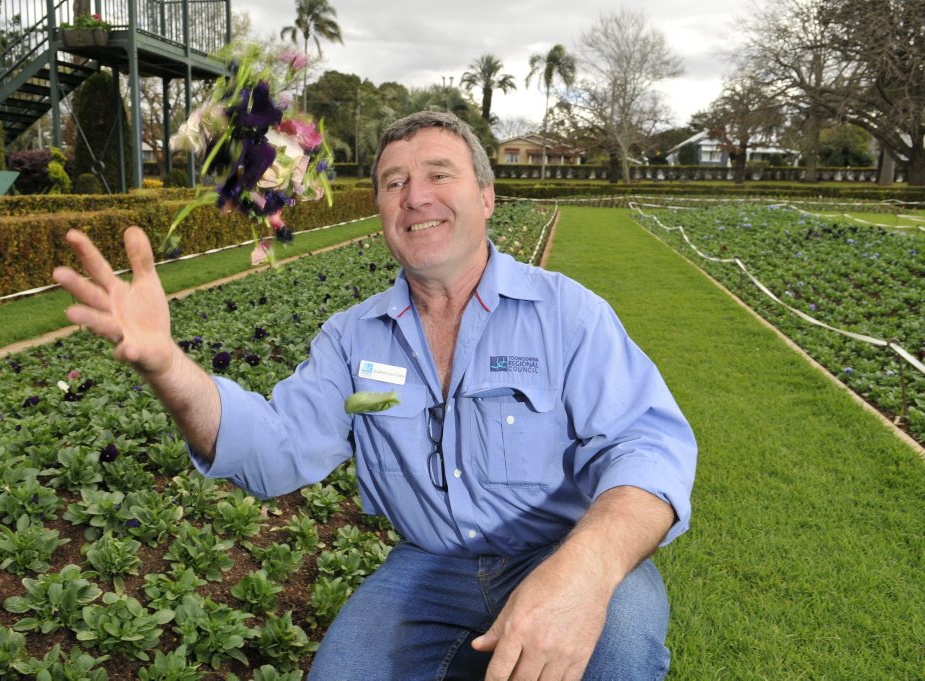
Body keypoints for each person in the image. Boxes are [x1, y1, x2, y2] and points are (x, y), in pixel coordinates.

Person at [53, 110, 697, 681]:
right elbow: (273, 451)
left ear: (487, 197)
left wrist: (585, 567)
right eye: (394, 183)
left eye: (439, 175)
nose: (415, 197)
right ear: (382, 210)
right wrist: (168, 366)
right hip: (430, 567)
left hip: (563, 548)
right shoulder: (352, 338)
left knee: (617, 644)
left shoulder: (568, 315)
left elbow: (648, 445)